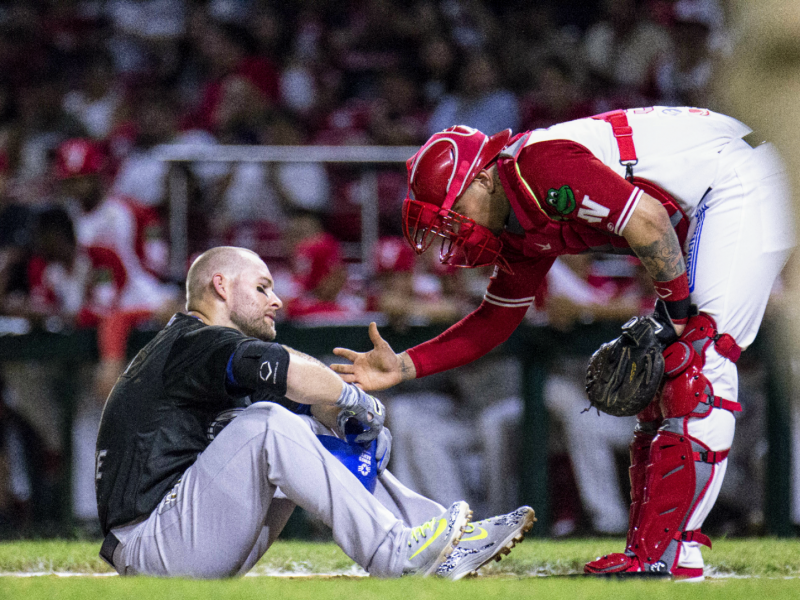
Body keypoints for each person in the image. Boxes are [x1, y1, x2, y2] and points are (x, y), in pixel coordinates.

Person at [331, 107, 795, 580]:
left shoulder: (539, 167)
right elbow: (493, 322)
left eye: (454, 211)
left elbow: (649, 222)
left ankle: (667, 553)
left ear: (484, 179)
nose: (453, 229)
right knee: (663, 382)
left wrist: (676, 317)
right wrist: (404, 365)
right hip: (711, 191)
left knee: (696, 359)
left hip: (740, 175)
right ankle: (657, 551)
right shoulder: (514, 219)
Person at [94, 246, 535, 579]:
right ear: (221, 287)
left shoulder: (199, 347)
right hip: (151, 541)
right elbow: (284, 369)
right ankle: (395, 552)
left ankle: (435, 540)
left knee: (310, 430)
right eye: (262, 287)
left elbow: (304, 416)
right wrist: (354, 399)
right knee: (266, 423)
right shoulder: (194, 339)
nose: (276, 300)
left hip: (182, 530)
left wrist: (342, 425)